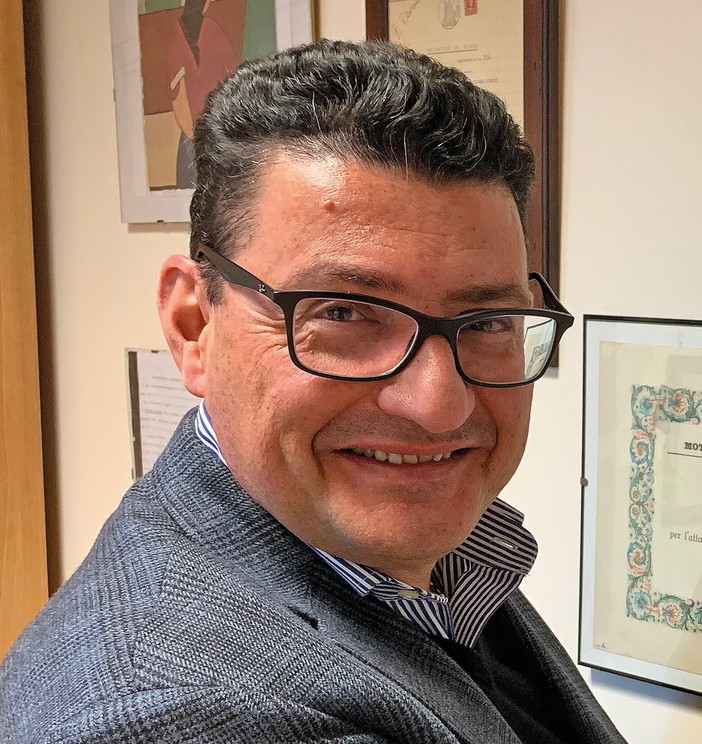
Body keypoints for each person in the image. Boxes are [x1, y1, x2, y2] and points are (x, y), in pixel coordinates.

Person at [0, 40, 626, 743]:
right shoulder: (171, 711)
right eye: (344, 313)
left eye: (486, 321)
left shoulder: (408, 557)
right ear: (194, 325)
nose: (437, 405)